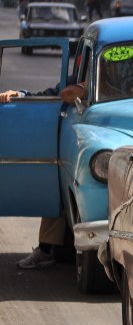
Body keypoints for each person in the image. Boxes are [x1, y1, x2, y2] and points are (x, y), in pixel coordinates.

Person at [0, 77, 87, 269]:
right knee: (58, 184)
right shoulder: (81, 78)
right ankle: (47, 248)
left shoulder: (132, 83)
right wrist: (20, 95)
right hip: (83, 143)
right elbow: (52, 96)